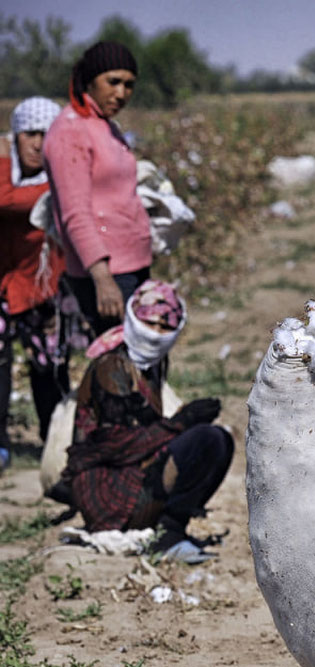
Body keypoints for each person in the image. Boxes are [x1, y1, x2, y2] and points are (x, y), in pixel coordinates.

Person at [61, 280, 232, 563]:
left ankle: (170, 529)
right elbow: (112, 446)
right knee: (205, 439)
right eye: (149, 324)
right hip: (103, 488)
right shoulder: (112, 366)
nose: (155, 334)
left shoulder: (153, 364)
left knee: (218, 440)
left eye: (165, 328)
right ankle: (166, 536)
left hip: (134, 469)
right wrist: (181, 423)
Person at [43, 40, 152, 337]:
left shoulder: (105, 126)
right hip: (107, 272)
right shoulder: (70, 131)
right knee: (119, 357)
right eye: (113, 82)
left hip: (131, 265)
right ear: (89, 80)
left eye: (129, 85)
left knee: (140, 355)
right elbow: (74, 213)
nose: (122, 93)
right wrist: (102, 278)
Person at [0, 96, 69, 469]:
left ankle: (55, 441)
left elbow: (9, 200)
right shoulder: (7, 171)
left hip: (43, 289)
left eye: (48, 135)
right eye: (30, 134)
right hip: (4, 285)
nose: (39, 144)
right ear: (16, 136)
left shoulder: (60, 179)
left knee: (49, 367)